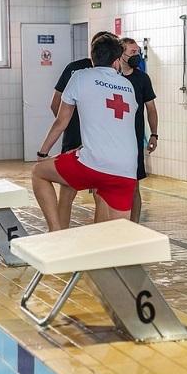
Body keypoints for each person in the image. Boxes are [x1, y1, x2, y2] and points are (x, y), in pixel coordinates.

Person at [33, 35, 138, 231]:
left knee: (39, 173)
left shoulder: (80, 76)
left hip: (93, 163)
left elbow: (61, 122)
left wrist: (42, 154)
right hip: (126, 169)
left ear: (92, 58)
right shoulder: (128, 86)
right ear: (116, 61)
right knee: (118, 234)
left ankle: (56, 233)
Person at [50, 31, 118, 228]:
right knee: (98, 195)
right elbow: (55, 102)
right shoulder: (110, 73)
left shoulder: (77, 70)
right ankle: (98, 241)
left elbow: (56, 104)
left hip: (78, 137)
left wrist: (67, 123)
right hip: (97, 139)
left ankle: (59, 235)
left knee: (69, 194)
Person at [119, 37, 158, 223]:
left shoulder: (142, 78)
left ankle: (133, 225)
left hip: (133, 141)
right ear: (121, 54)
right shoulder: (110, 78)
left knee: (134, 186)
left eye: (138, 52)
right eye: (133, 52)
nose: (137, 56)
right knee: (106, 186)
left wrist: (154, 134)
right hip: (110, 140)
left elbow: (151, 108)